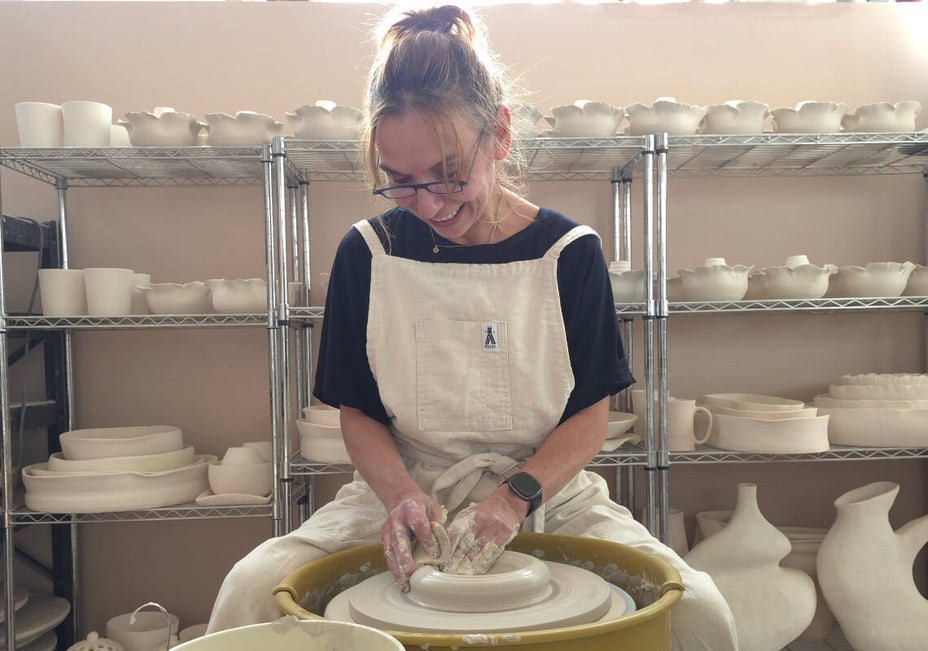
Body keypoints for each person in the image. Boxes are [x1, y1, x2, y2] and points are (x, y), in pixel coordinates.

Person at [207, 5, 738, 649]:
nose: (430, 204)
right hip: (404, 486)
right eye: (401, 183)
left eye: (450, 172)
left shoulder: (568, 252)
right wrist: (400, 495)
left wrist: (515, 498)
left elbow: (589, 416)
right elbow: (359, 412)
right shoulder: (368, 252)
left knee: (701, 613)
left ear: (501, 135)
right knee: (251, 587)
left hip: (546, 488)